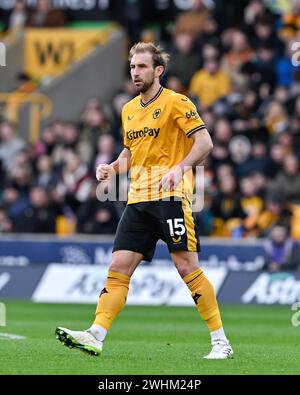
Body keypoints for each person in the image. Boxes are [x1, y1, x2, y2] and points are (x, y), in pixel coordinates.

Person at [55, 42, 233, 360]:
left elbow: (204, 142)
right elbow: (130, 152)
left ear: (158, 70)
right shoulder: (128, 109)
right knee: (118, 266)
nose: (135, 72)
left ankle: (220, 341)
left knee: (185, 265)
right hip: (138, 199)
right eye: (133, 67)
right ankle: (96, 334)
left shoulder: (176, 102)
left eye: (142, 67)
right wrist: (112, 167)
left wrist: (180, 170)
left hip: (171, 198)